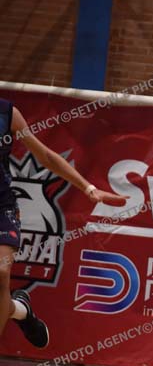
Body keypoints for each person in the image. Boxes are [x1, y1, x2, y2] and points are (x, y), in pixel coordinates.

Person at [0, 99, 126, 349]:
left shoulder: (7, 112)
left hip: (2, 206)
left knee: (1, 273)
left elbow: (45, 155)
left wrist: (89, 188)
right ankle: (20, 310)